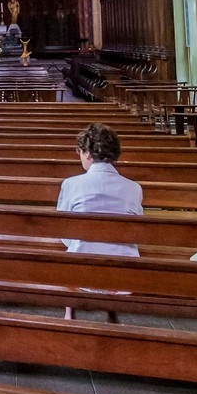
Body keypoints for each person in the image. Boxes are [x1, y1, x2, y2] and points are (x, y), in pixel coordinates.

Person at [56, 123, 143, 319]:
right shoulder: (134, 188)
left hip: (82, 270)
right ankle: (112, 315)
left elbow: (64, 230)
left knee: (74, 247)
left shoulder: (71, 184)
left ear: (87, 153)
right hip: (124, 272)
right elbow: (137, 230)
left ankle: (69, 313)